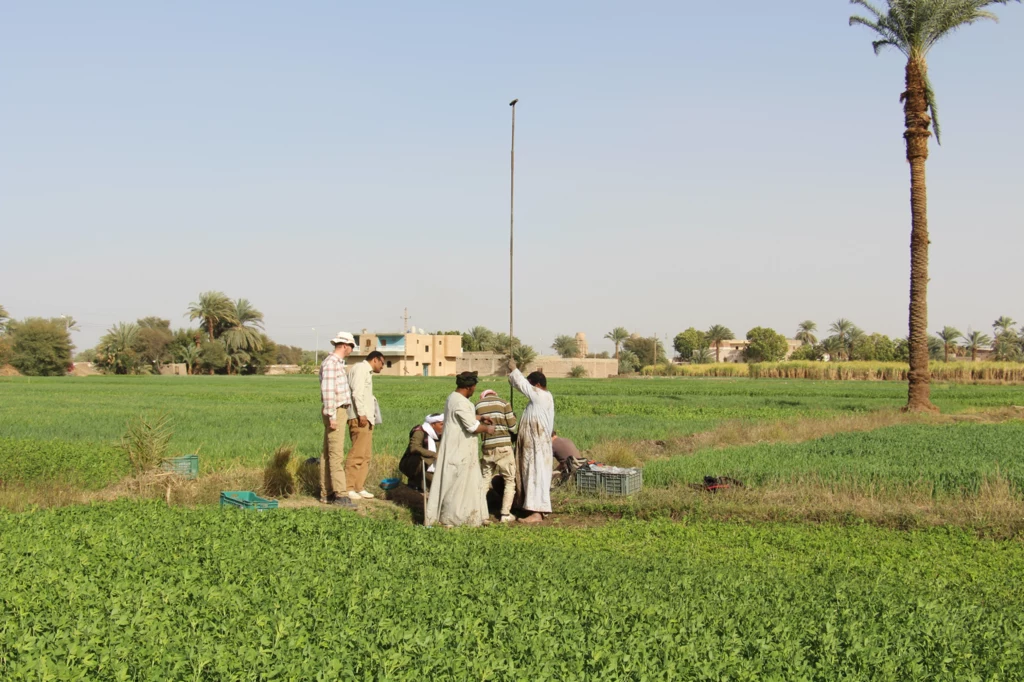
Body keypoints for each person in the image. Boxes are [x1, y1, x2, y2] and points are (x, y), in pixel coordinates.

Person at [424, 371, 496, 528]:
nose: (474, 390)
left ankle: (469, 515)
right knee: (457, 484)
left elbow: (465, 417)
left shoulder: (454, 398)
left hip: (461, 449)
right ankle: (454, 518)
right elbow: (472, 427)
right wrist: (487, 428)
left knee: (467, 482)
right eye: (474, 387)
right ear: (469, 387)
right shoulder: (461, 402)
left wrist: (480, 417)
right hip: (459, 450)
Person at [508, 360, 555, 524]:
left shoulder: (540, 396)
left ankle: (537, 512)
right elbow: (522, 386)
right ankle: (528, 506)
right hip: (534, 444)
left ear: (537, 384)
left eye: (531, 385)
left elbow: (523, 386)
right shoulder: (540, 398)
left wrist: (514, 370)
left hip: (537, 445)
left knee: (536, 474)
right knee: (530, 473)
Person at [319, 331, 356, 507]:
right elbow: (328, 391)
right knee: (335, 453)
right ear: (344, 345)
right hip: (336, 411)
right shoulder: (331, 364)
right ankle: (340, 494)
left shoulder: (336, 363)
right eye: (351, 346)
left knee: (328, 453)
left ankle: (327, 492)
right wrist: (332, 415)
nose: (351, 349)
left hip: (338, 410)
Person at [345, 349, 384, 501]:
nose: (382, 366)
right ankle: (348, 487)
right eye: (382, 363)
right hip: (359, 417)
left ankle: (358, 486)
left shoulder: (367, 372)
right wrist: (361, 413)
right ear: (375, 360)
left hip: (367, 418)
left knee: (366, 455)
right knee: (357, 454)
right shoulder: (360, 369)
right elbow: (356, 393)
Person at [475, 389, 518, 523]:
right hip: (504, 447)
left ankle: (480, 513)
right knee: (509, 480)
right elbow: (513, 427)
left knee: (484, 480)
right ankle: (505, 514)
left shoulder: (477, 405)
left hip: (487, 447)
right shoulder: (505, 403)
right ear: (495, 394)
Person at [398, 413, 443, 492]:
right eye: (441, 424)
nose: (443, 427)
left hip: (431, 464)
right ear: (433, 425)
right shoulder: (419, 431)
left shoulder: (440, 434)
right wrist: (434, 455)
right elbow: (414, 447)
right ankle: (415, 482)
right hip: (417, 463)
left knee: (439, 485)